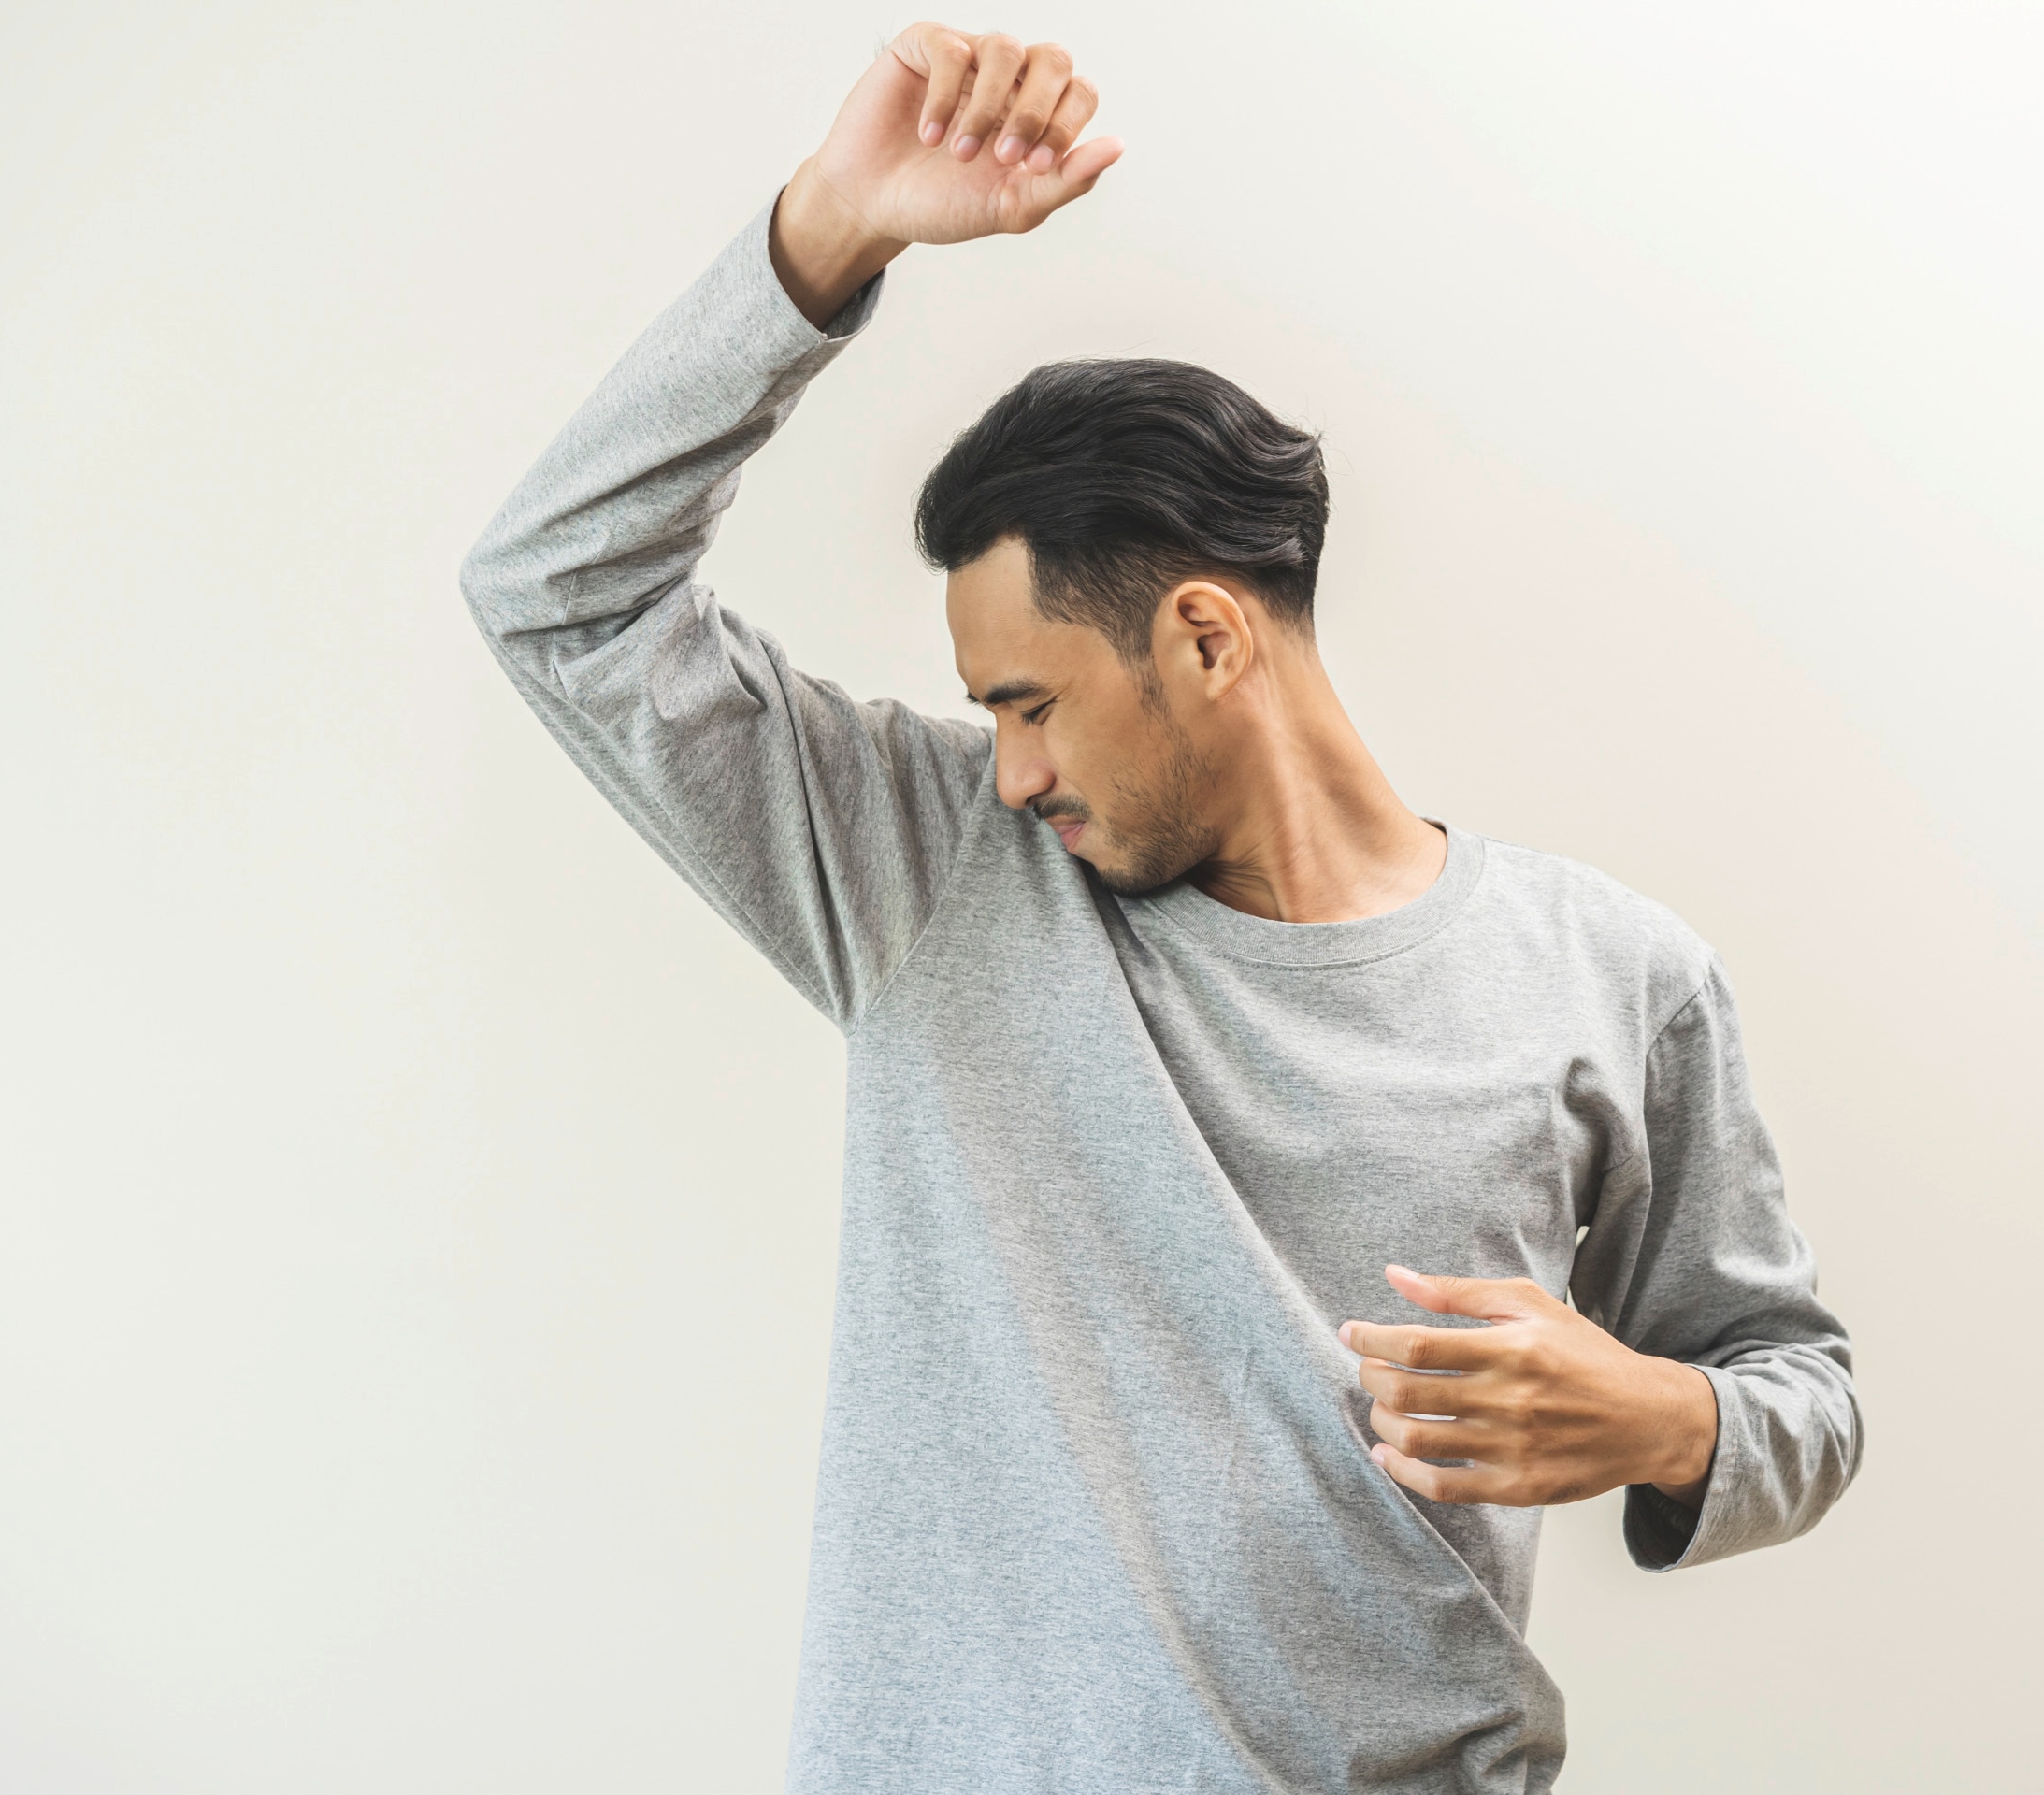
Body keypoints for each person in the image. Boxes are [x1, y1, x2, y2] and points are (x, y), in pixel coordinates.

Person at [460, 22, 1860, 1791]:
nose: (1011, 772)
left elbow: (1796, 1390)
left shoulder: (1612, 978)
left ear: (1204, 637)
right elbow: (554, 595)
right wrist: (827, 233)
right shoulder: (931, 874)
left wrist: (1665, 1416)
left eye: (1029, 704)